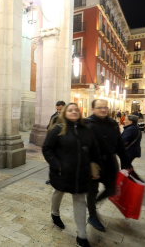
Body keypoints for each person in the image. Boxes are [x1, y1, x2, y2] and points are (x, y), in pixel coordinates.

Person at [43, 103, 100, 247]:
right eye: (70, 110)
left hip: (81, 172)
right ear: (65, 113)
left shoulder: (86, 129)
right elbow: (47, 148)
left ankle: (82, 236)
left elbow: (94, 149)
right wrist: (58, 165)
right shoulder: (59, 129)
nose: (74, 112)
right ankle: (55, 213)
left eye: (76, 110)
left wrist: (95, 167)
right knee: (58, 192)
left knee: (80, 199)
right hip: (63, 172)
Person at [86, 99, 133, 232]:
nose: (103, 110)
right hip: (93, 164)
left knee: (112, 189)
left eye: (105, 107)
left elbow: (119, 145)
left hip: (110, 163)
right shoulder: (87, 124)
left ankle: (92, 205)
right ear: (93, 109)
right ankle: (92, 215)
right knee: (92, 191)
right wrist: (87, 165)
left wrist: (127, 163)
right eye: (99, 107)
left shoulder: (112, 123)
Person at [46, 101, 66, 185]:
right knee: (53, 162)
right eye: (57, 109)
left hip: (64, 143)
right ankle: (51, 178)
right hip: (55, 142)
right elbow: (49, 127)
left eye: (60, 109)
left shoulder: (67, 117)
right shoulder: (54, 116)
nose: (59, 111)